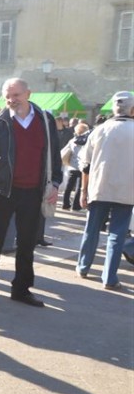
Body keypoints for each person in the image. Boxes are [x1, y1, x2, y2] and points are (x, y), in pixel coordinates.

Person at [0, 78, 61, 308]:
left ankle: (21, 289)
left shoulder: (45, 120)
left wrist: (55, 183)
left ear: (28, 94)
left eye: (16, 95)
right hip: (3, 191)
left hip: (34, 191)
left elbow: (54, 154)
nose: (11, 100)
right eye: (7, 96)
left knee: (27, 244)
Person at [76, 91, 134, 290]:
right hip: (127, 191)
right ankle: (109, 277)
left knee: (91, 229)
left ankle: (83, 266)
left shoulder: (99, 130)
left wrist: (83, 191)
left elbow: (85, 164)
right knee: (117, 234)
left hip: (99, 188)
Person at [60, 122, 89, 211]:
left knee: (69, 186)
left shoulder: (72, 141)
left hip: (72, 166)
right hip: (82, 166)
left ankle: (65, 204)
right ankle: (76, 206)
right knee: (79, 187)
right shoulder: (87, 141)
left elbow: (65, 150)